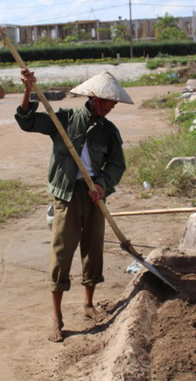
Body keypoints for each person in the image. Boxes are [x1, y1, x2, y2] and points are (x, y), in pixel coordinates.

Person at [15, 69, 134, 342]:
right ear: (94, 98)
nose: (112, 107)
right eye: (108, 102)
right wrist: (28, 91)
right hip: (66, 194)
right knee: (62, 251)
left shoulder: (108, 131)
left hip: (94, 194)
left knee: (93, 248)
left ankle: (88, 304)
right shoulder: (65, 120)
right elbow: (27, 121)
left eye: (114, 103)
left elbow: (117, 164)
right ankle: (56, 316)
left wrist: (103, 184)